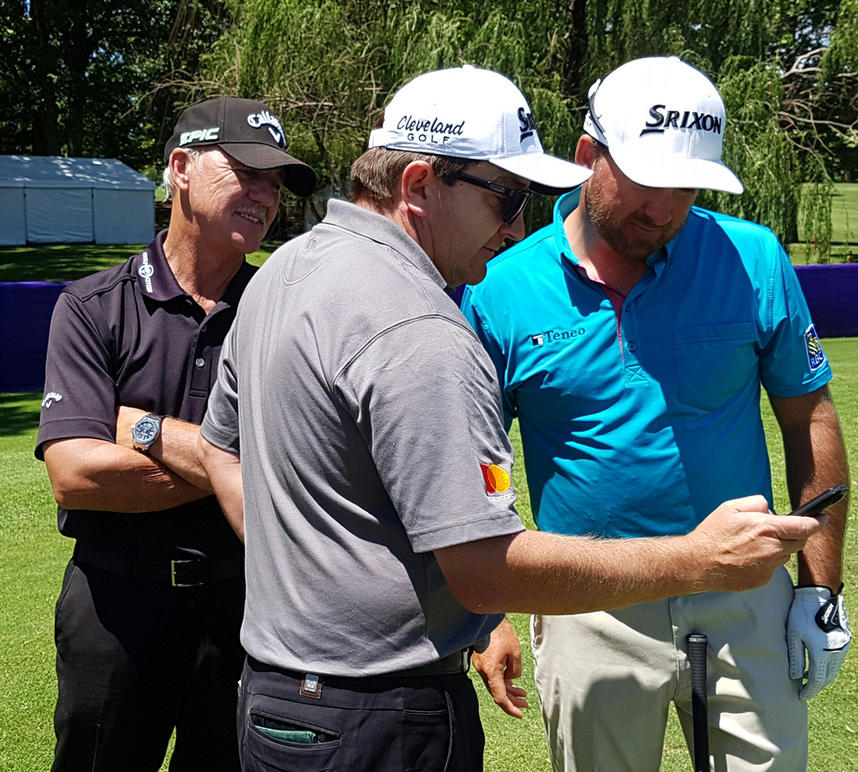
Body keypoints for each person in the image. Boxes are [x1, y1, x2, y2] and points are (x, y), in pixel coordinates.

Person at [197, 65, 825, 771]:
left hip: (279, 696)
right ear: (417, 186)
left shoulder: (283, 270)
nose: (518, 228)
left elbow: (222, 451)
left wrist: (310, 564)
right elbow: (485, 572)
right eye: (507, 198)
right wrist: (697, 560)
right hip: (383, 710)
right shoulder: (423, 329)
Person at [460, 56, 851, 771]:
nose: (665, 208)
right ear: (588, 156)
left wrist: (821, 591)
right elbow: (475, 460)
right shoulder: (500, 286)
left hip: (744, 589)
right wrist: (487, 613)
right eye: (646, 181)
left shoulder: (752, 258)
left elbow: (810, 417)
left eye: (686, 185)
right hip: (587, 601)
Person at [35, 96, 316, 772]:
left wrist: (145, 430)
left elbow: (304, 471)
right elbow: (76, 476)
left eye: (274, 184)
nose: (264, 195)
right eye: (247, 172)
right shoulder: (92, 306)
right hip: (115, 610)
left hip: (246, 608)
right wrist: (241, 467)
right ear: (181, 167)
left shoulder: (290, 314)